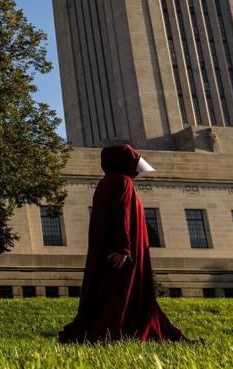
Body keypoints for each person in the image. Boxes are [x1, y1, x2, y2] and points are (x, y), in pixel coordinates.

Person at [57, 144, 185, 344]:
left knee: (110, 289)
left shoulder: (105, 182)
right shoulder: (123, 181)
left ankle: (114, 328)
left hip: (107, 248)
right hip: (121, 250)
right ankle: (120, 329)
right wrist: (123, 247)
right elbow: (122, 214)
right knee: (123, 289)